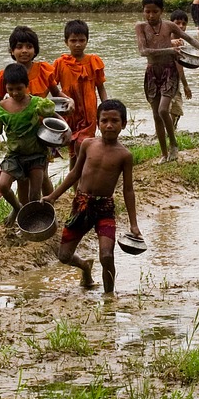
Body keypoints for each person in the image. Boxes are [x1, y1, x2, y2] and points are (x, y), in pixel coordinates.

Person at [44, 99, 141, 295]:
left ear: (124, 124)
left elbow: (128, 190)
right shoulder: (88, 144)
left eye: (115, 121)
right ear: (97, 123)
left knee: (106, 256)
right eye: (104, 120)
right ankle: (85, 267)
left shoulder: (124, 155)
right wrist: (53, 196)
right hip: (81, 204)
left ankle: (109, 296)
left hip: (105, 208)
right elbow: (74, 174)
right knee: (64, 256)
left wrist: (133, 224)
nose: (109, 125)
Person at [0, 26, 71, 199]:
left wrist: (68, 100)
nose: (24, 51)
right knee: (21, 178)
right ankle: (22, 210)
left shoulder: (43, 70)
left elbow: (57, 95)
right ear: (12, 50)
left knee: (42, 176)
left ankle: (49, 204)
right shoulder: (5, 75)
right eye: (19, 47)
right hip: (18, 134)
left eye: (29, 46)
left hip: (42, 133)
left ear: (35, 50)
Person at [135, 0, 199, 163]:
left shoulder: (169, 26)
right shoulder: (140, 27)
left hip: (169, 71)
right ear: (143, 11)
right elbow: (143, 51)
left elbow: (188, 38)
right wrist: (169, 50)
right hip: (152, 72)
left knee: (163, 110)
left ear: (161, 11)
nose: (151, 16)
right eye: (147, 12)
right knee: (155, 114)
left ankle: (174, 145)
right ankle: (163, 153)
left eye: (155, 12)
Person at [0, 63, 55, 227]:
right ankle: (16, 208)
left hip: (36, 155)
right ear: (5, 88)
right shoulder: (2, 108)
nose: (15, 93)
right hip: (14, 155)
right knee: (3, 186)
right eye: (10, 89)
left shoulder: (37, 103)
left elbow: (54, 116)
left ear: (27, 86)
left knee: (34, 195)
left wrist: (66, 131)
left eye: (19, 89)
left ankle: (32, 225)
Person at [53, 19, 108, 168]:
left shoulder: (93, 61)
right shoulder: (60, 63)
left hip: (89, 114)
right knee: (73, 152)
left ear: (87, 41)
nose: (78, 44)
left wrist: (106, 107)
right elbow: (52, 87)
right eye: (73, 40)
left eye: (82, 40)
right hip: (70, 113)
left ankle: (84, 184)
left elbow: (100, 87)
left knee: (83, 146)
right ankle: (76, 187)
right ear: (66, 42)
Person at [167, 10, 195, 137]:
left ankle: (171, 133)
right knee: (166, 109)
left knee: (177, 111)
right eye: (178, 23)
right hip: (164, 80)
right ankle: (164, 133)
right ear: (171, 24)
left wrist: (185, 85)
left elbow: (180, 67)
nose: (181, 26)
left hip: (176, 81)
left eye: (184, 24)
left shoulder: (181, 43)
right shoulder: (165, 40)